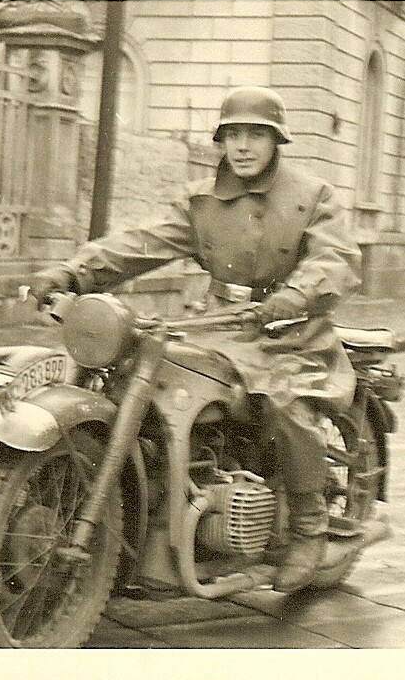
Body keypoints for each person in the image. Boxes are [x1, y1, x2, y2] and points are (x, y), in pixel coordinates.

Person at [26, 85, 362, 593]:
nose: (243, 147)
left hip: (290, 333)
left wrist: (297, 294)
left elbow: (335, 258)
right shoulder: (201, 201)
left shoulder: (313, 196)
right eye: (233, 135)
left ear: (277, 141)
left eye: (256, 135)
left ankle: (309, 526)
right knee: (130, 376)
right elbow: (140, 243)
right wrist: (72, 273)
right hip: (218, 323)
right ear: (221, 141)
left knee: (282, 400)